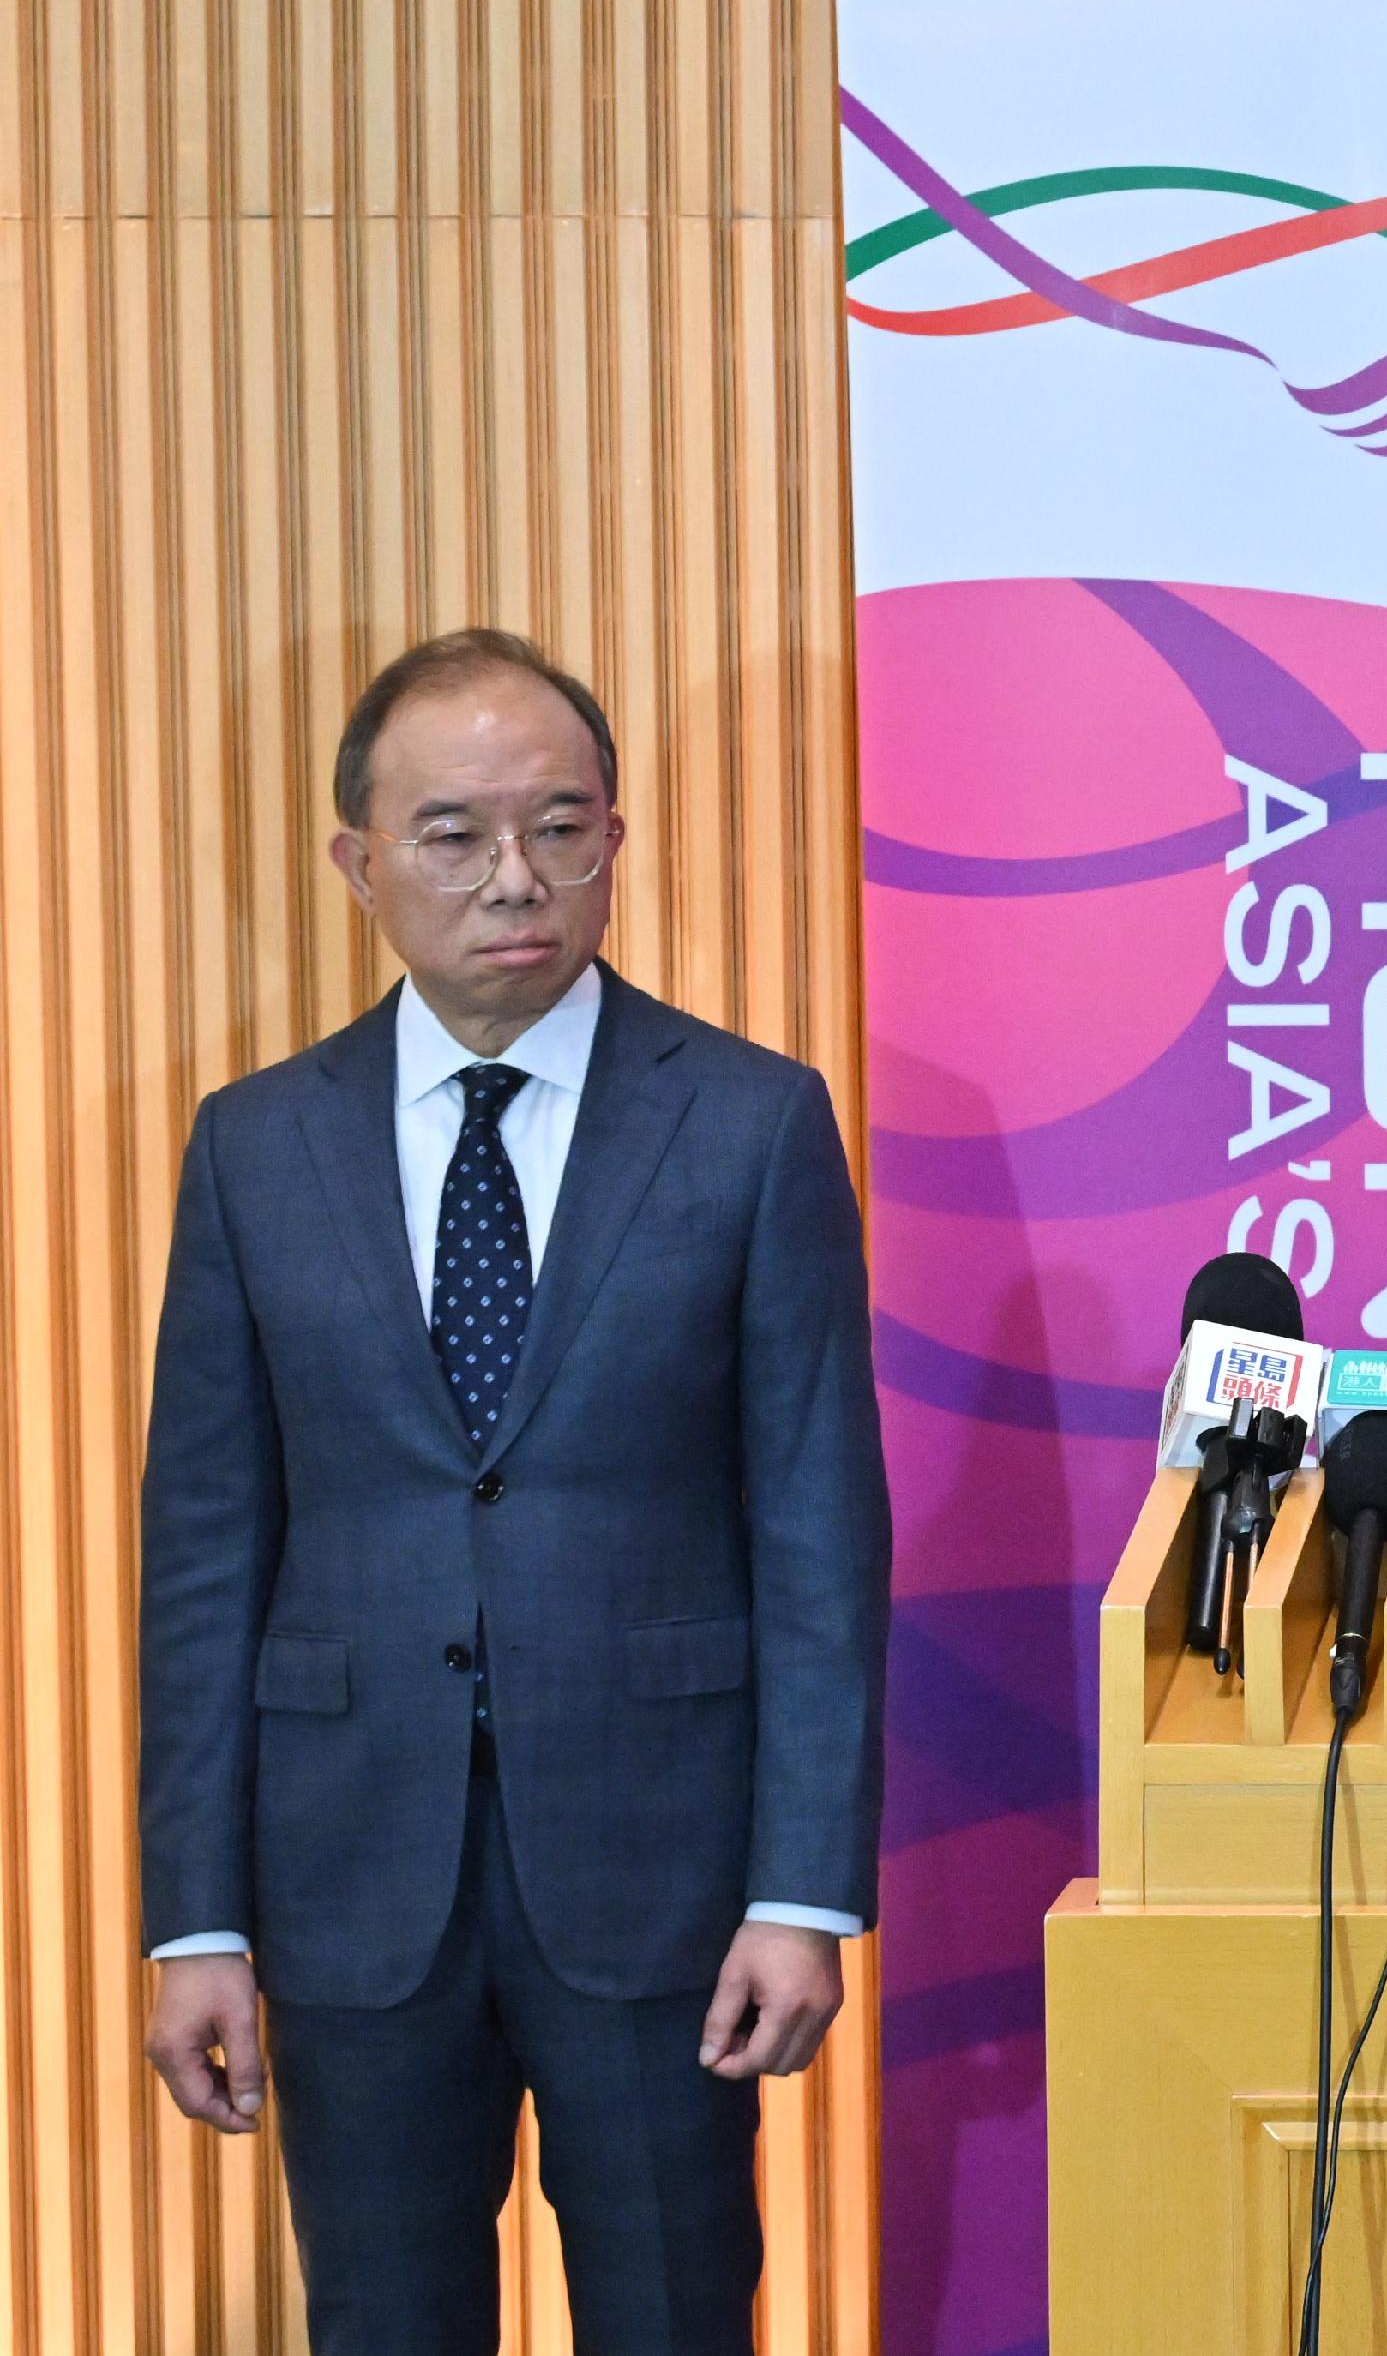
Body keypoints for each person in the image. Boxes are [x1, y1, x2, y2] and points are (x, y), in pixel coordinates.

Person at [136, 631, 890, 2356]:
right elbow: (202, 1552)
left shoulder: (754, 1126)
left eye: (561, 827)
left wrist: (802, 1890)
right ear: (360, 861)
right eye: (456, 834)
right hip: (348, 1884)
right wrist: (198, 1917)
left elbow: (818, 1534)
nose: (515, 880)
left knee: (675, 2315)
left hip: (666, 1881)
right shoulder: (256, 1146)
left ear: (615, 838)